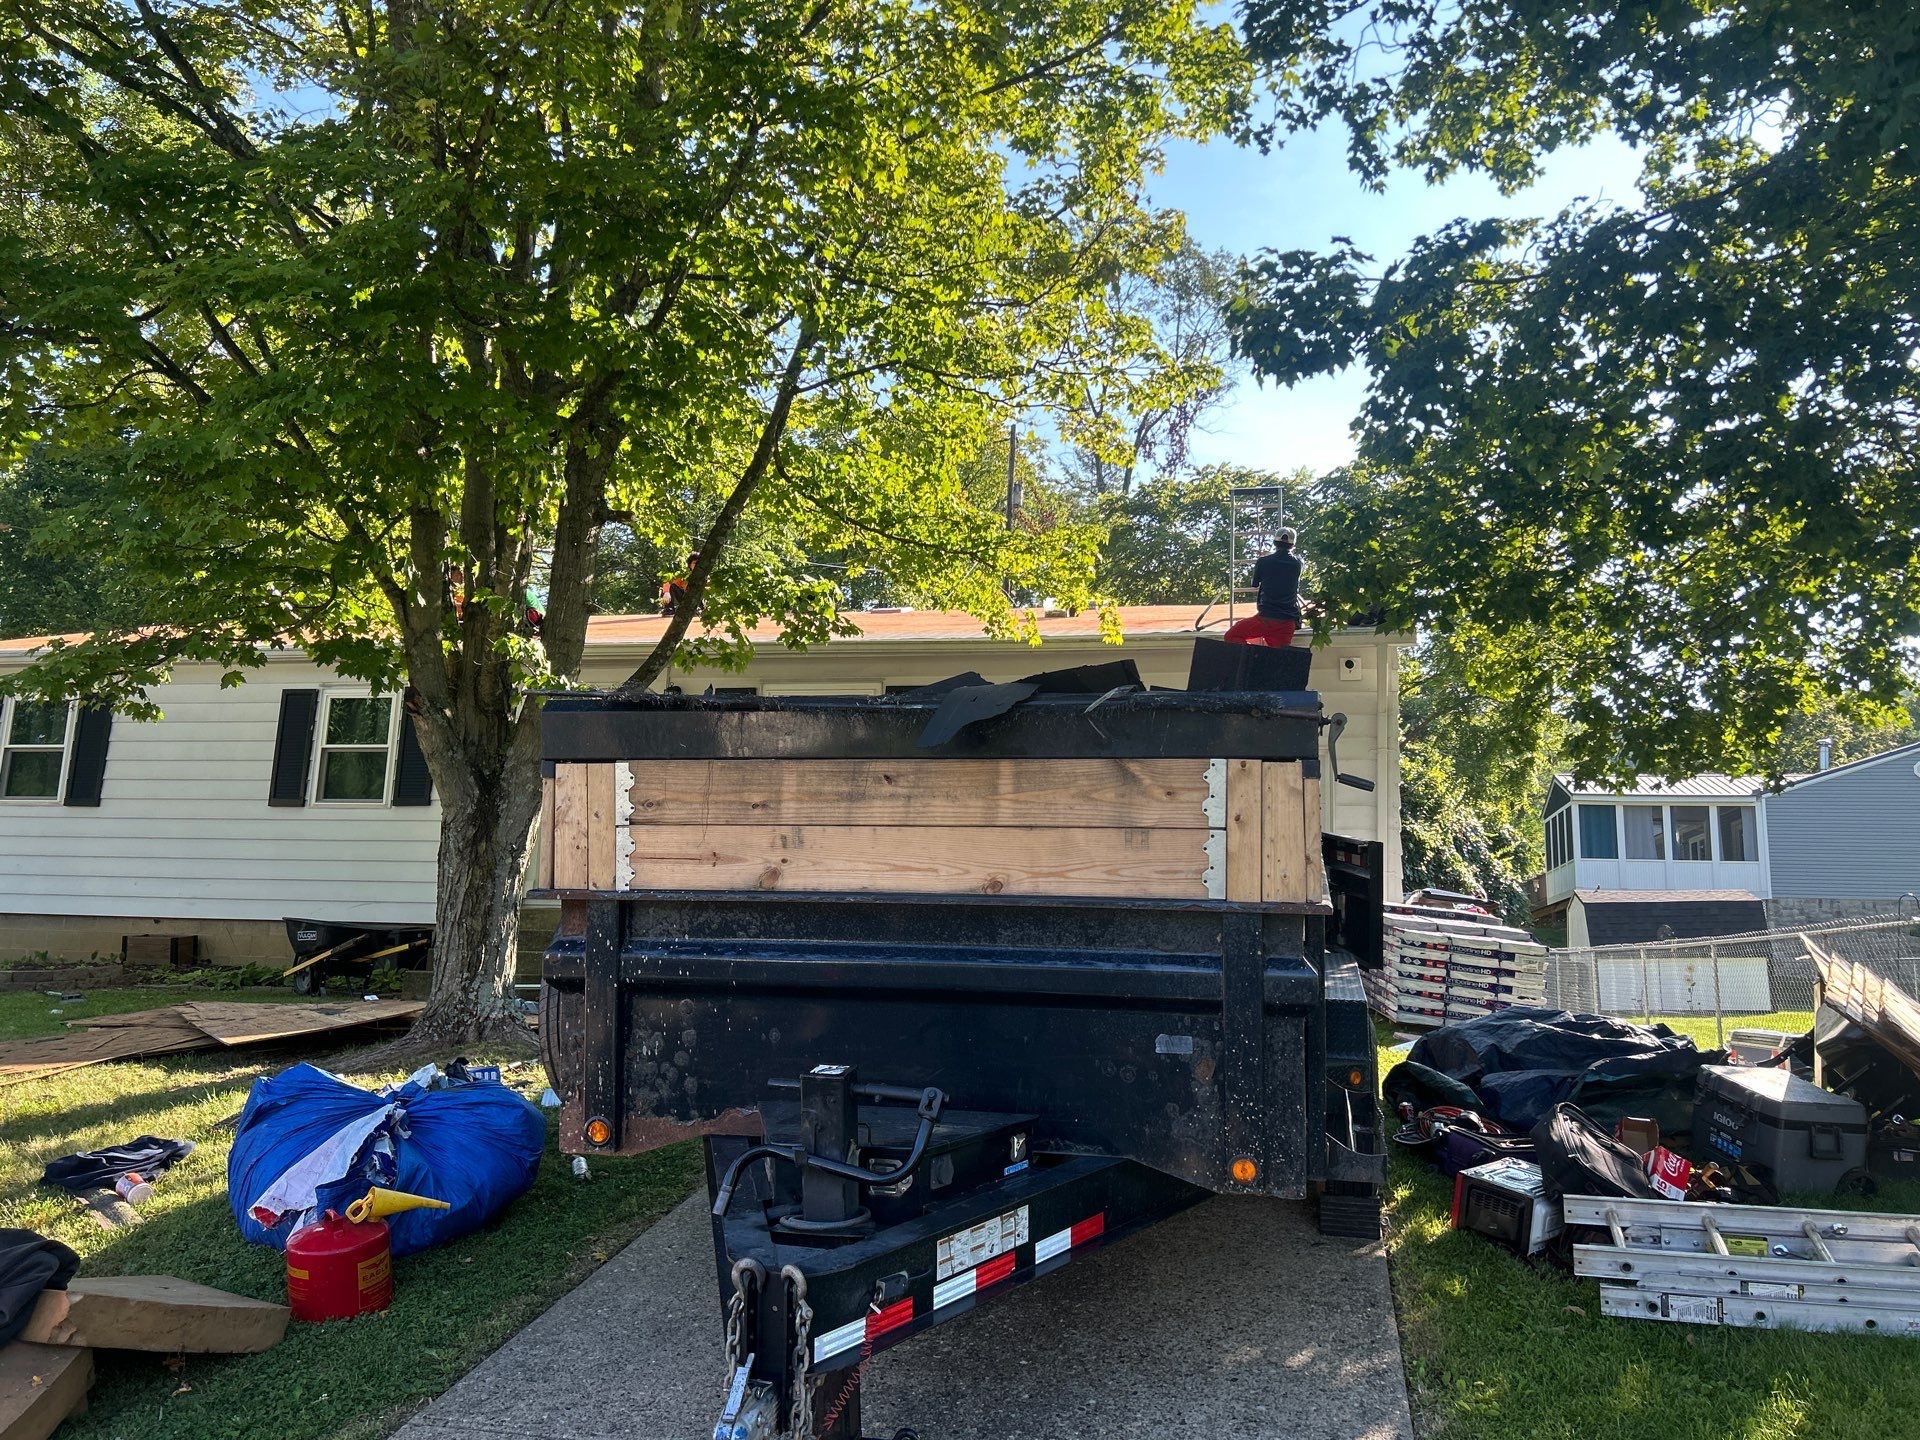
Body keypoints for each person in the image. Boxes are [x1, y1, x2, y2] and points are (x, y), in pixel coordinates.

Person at [1223, 528, 1303, 646]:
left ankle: (1251, 658)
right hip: (1287, 623)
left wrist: (1263, 559)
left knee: (1231, 635)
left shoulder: (1264, 561)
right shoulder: (1298, 563)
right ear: (1293, 544)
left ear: (1275, 543)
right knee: (1279, 659)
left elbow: (1255, 584)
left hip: (1266, 619)